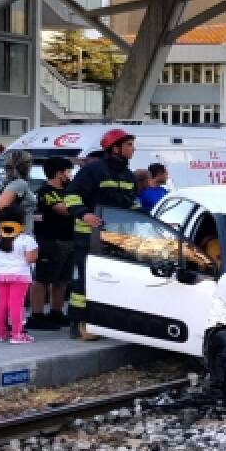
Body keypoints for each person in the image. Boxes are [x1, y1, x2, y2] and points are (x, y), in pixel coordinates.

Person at [65, 129, 140, 340]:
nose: (133, 149)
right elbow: (71, 196)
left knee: (110, 281)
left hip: (116, 237)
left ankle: (103, 321)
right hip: (88, 236)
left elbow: (133, 205)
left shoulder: (129, 176)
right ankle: (78, 322)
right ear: (115, 148)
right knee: (85, 280)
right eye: (129, 145)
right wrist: (84, 214)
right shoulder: (93, 171)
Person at [30, 157, 75, 331]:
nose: (70, 175)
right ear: (59, 173)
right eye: (68, 171)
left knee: (62, 279)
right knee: (42, 278)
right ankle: (37, 314)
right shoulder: (46, 191)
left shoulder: (68, 190)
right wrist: (77, 205)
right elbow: (63, 209)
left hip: (69, 239)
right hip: (50, 240)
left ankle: (56, 311)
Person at [0, 205, 39, 344]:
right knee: (16, 304)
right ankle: (17, 334)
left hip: (0, 275)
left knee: (1, 304)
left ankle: (0, 333)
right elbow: (30, 258)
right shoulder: (26, 239)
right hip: (20, 276)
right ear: (21, 222)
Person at [0, 151, 37, 232]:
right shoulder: (19, 184)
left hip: (14, 235)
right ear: (25, 166)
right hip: (19, 235)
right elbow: (1, 208)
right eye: (29, 163)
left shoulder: (5, 182)